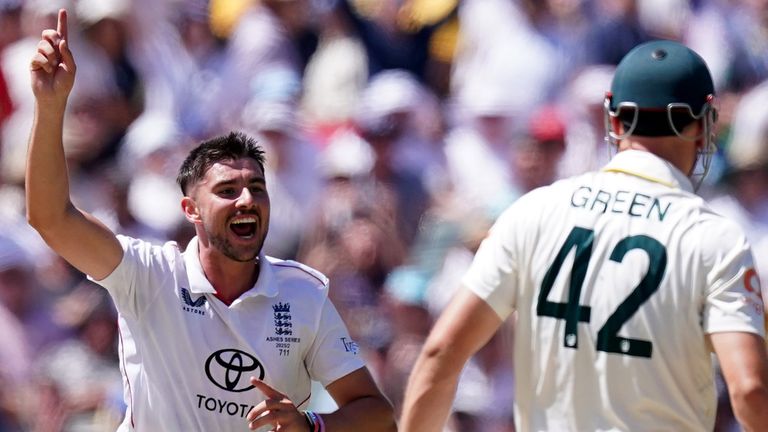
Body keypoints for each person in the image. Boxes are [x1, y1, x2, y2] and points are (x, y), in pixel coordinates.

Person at [26, 9, 396, 432]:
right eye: (227, 191)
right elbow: (50, 218)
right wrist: (50, 106)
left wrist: (311, 425)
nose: (246, 200)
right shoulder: (149, 274)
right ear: (191, 210)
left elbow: (378, 414)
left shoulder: (303, 295)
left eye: (257, 188)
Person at [400, 40, 768, 431]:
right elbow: (748, 389)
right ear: (704, 125)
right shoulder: (714, 239)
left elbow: (440, 353)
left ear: (614, 122)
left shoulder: (533, 211)